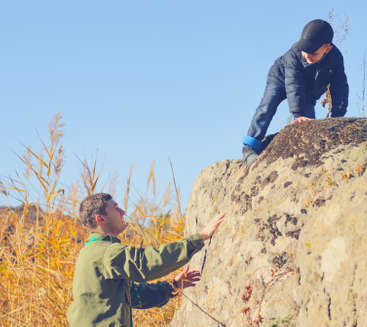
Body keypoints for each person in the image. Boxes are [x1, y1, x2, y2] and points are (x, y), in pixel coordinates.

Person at [67, 193, 225, 326]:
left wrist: (173, 285)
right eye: (115, 208)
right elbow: (146, 262)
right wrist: (199, 238)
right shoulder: (106, 252)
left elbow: (135, 296)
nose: (122, 211)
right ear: (100, 219)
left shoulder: (90, 252)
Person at [242, 19, 349, 164]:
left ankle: (304, 155)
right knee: (267, 106)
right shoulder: (294, 55)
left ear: (327, 49)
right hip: (280, 79)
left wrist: (338, 115)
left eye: (313, 52)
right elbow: (293, 84)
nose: (307, 55)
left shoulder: (335, 58)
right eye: (305, 51)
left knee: (308, 123)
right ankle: (250, 146)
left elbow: (340, 86)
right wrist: (297, 114)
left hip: (309, 90)